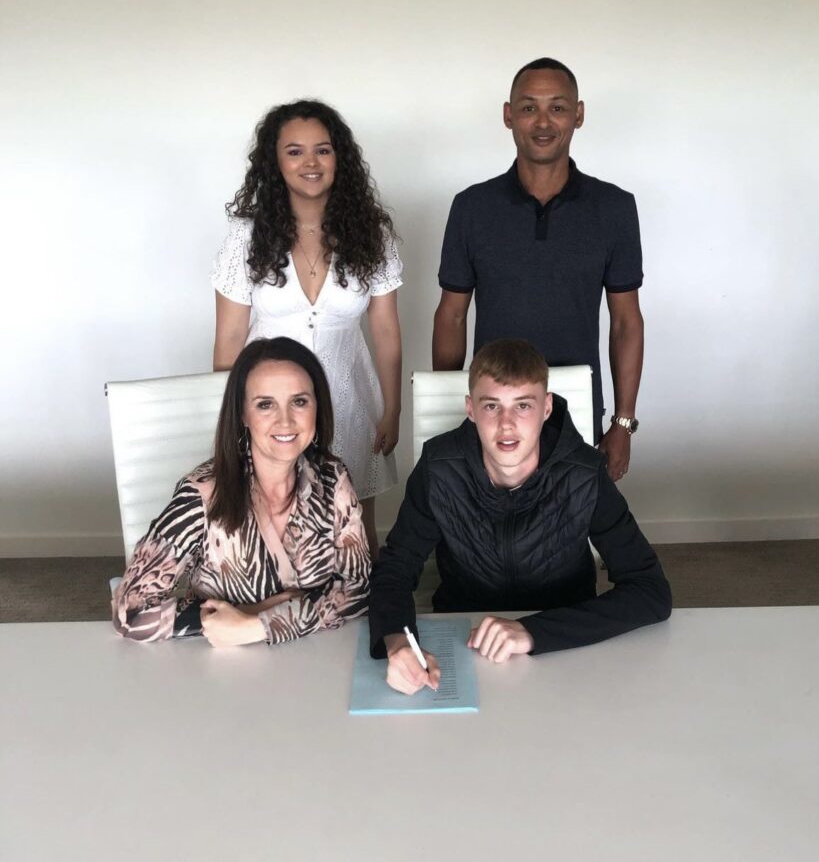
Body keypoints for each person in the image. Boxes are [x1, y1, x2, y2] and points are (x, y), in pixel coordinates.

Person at [368, 339, 670, 695]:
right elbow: (394, 569)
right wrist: (397, 642)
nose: (507, 424)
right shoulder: (439, 467)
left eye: (523, 405)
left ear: (546, 408)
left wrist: (533, 631)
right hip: (467, 641)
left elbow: (650, 591)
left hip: (564, 646)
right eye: (492, 406)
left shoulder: (585, 473)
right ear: (470, 409)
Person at [433, 57, 644, 483]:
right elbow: (452, 314)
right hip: (493, 409)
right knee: (482, 537)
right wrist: (446, 406)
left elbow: (625, 322)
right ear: (508, 116)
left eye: (558, 107)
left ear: (578, 114)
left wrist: (622, 424)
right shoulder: (472, 207)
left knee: (572, 540)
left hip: (577, 406)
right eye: (529, 108)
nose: (543, 121)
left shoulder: (615, 208)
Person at [211, 99, 402, 558]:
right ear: (275, 162)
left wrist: (391, 408)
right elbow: (230, 339)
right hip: (268, 402)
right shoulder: (246, 236)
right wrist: (226, 414)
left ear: (341, 158)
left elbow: (386, 332)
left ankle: (361, 611)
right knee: (270, 517)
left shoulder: (372, 234)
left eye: (323, 150)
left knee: (356, 524)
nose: (310, 163)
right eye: (295, 151)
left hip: (351, 397)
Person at [112, 337, 370, 646]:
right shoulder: (203, 494)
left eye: (299, 401)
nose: (285, 420)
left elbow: (358, 587)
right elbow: (130, 612)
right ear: (243, 415)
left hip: (315, 658)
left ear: (318, 406)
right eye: (265, 404)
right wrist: (257, 615)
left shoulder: (332, 479)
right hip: (223, 669)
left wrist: (258, 623)